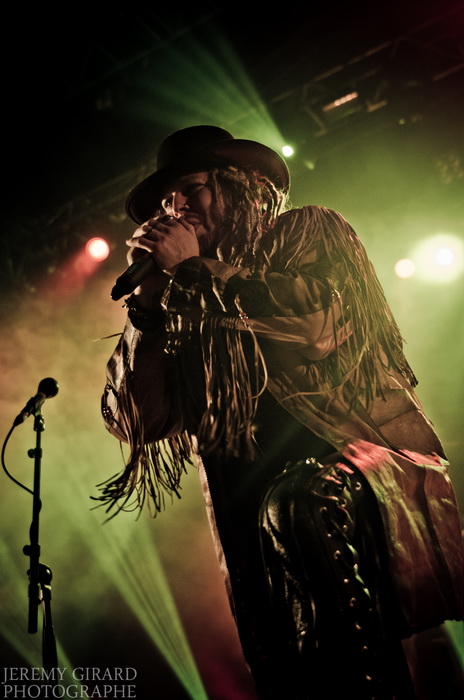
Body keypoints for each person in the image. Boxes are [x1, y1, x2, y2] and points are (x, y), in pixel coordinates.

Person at [99, 125, 463, 699]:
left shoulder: (306, 231)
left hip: (350, 488)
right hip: (250, 525)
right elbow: (137, 421)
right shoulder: (184, 306)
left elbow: (316, 327)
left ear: (240, 186)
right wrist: (146, 305)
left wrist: (194, 271)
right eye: (167, 201)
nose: (176, 208)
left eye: (191, 189)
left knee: (304, 518)